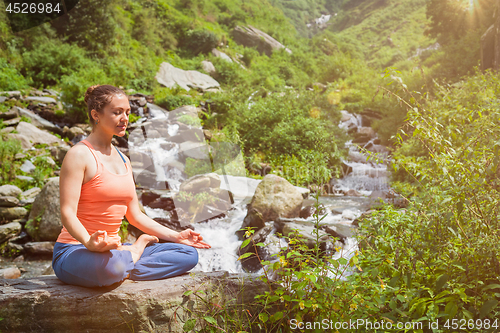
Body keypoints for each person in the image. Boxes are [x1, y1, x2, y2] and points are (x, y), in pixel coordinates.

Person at [52, 84, 210, 288]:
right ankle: (133, 254)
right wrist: (88, 241)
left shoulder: (124, 160)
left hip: (115, 250)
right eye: (117, 112)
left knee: (188, 254)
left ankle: (127, 260)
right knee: (112, 268)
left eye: (127, 112)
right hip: (75, 250)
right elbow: (67, 213)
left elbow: (135, 215)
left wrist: (176, 235)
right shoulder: (79, 155)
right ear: (96, 115)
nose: (125, 118)